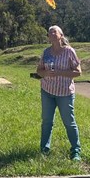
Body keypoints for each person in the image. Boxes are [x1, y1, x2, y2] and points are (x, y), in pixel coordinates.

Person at [36, 25, 82, 161]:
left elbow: (78, 72)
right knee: (47, 121)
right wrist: (44, 73)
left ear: (61, 35)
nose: (51, 33)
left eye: (54, 31)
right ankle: (44, 149)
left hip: (65, 93)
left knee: (69, 122)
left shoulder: (69, 52)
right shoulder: (46, 52)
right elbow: (39, 70)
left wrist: (59, 73)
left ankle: (76, 151)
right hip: (47, 91)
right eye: (49, 32)